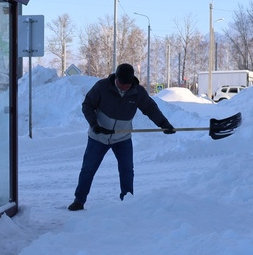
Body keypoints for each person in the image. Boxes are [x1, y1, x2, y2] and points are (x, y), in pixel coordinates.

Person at [68, 62, 175, 211]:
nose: (125, 87)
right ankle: (79, 200)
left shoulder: (137, 92)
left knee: (126, 170)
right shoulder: (102, 87)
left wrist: (164, 123)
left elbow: (150, 108)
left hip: (122, 138)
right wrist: (94, 125)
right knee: (88, 168)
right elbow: (87, 105)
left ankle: (127, 201)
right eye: (122, 83)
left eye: (128, 84)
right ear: (116, 78)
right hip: (98, 137)